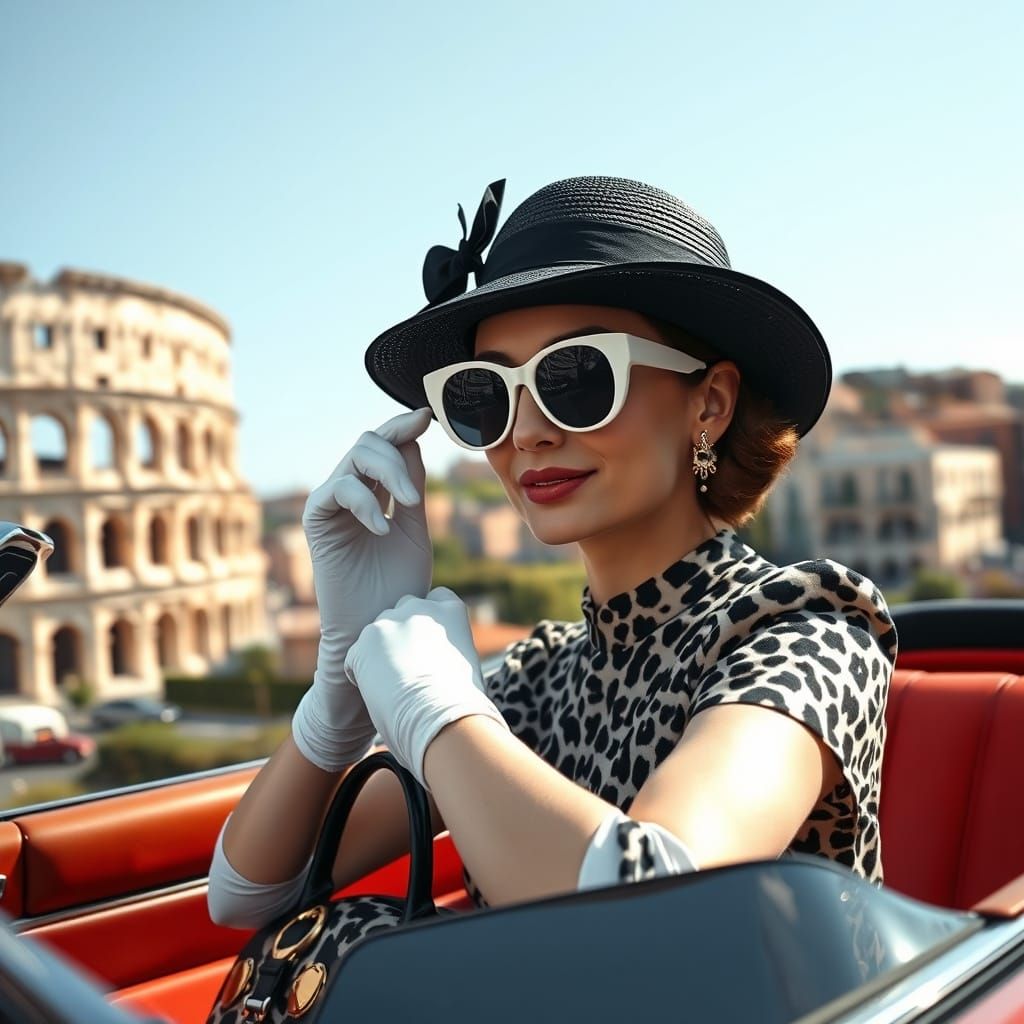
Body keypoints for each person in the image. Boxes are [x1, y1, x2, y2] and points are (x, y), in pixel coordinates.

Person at [207, 175, 897, 934]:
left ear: (710, 403)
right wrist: (341, 691)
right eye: (485, 394)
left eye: (578, 377)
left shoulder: (811, 626)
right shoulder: (539, 679)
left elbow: (655, 912)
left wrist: (436, 714)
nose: (526, 431)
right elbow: (250, 894)